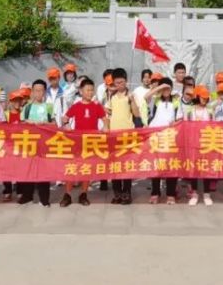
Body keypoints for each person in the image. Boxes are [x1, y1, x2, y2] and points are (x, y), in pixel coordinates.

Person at [61, 78, 108, 207]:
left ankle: (83, 194)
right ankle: (67, 194)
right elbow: (65, 118)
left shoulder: (96, 106)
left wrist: (105, 126)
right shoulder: (76, 106)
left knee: (86, 169)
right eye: (87, 90)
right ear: (81, 91)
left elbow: (105, 119)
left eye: (92, 89)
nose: (90, 92)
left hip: (90, 143)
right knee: (72, 168)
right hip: (76, 143)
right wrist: (66, 125)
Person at [16, 80, 53, 206]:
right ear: (32, 92)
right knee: (27, 170)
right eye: (36, 90)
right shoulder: (27, 107)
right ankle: (27, 195)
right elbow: (20, 124)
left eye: (41, 90)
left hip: (43, 144)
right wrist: (27, 123)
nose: (38, 93)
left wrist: (44, 124)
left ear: (44, 92)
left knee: (43, 172)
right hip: (28, 143)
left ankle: (44, 198)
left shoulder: (48, 107)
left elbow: (54, 124)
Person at [105, 68, 138, 204]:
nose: (120, 85)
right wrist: (107, 128)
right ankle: (117, 192)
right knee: (115, 165)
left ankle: (127, 192)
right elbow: (107, 114)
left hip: (127, 136)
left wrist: (132, 101)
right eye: (117, 83)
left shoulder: (131, 95)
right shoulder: (111, 96)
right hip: (114, 135)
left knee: (126, 165)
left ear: (126, 81)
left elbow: (136, 114)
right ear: (114, 83)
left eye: (122, 82)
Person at [145, 77, 179, 204]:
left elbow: (180, 117)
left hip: (171, 137)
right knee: (156, 165)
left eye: (168, 88)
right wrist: (158, 88)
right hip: (156, 137)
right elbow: (145, 97)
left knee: (171, 164)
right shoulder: (156, 100)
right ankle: (155, 193)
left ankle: (170, 194)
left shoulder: (176, 101)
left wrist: (175, 122)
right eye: (163, 88)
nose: (166, 90)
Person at [184, 85, 216, 206]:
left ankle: (207, 194)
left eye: (206, 98)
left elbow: (214, 125)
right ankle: (195, 194)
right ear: (197, 96)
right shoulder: (189, 110)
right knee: (194, 169)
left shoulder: (210, 110)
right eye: (202, 97)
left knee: (206, 169)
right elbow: (185, 126)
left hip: (207, 143)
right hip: (193, 143)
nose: (205, 99)